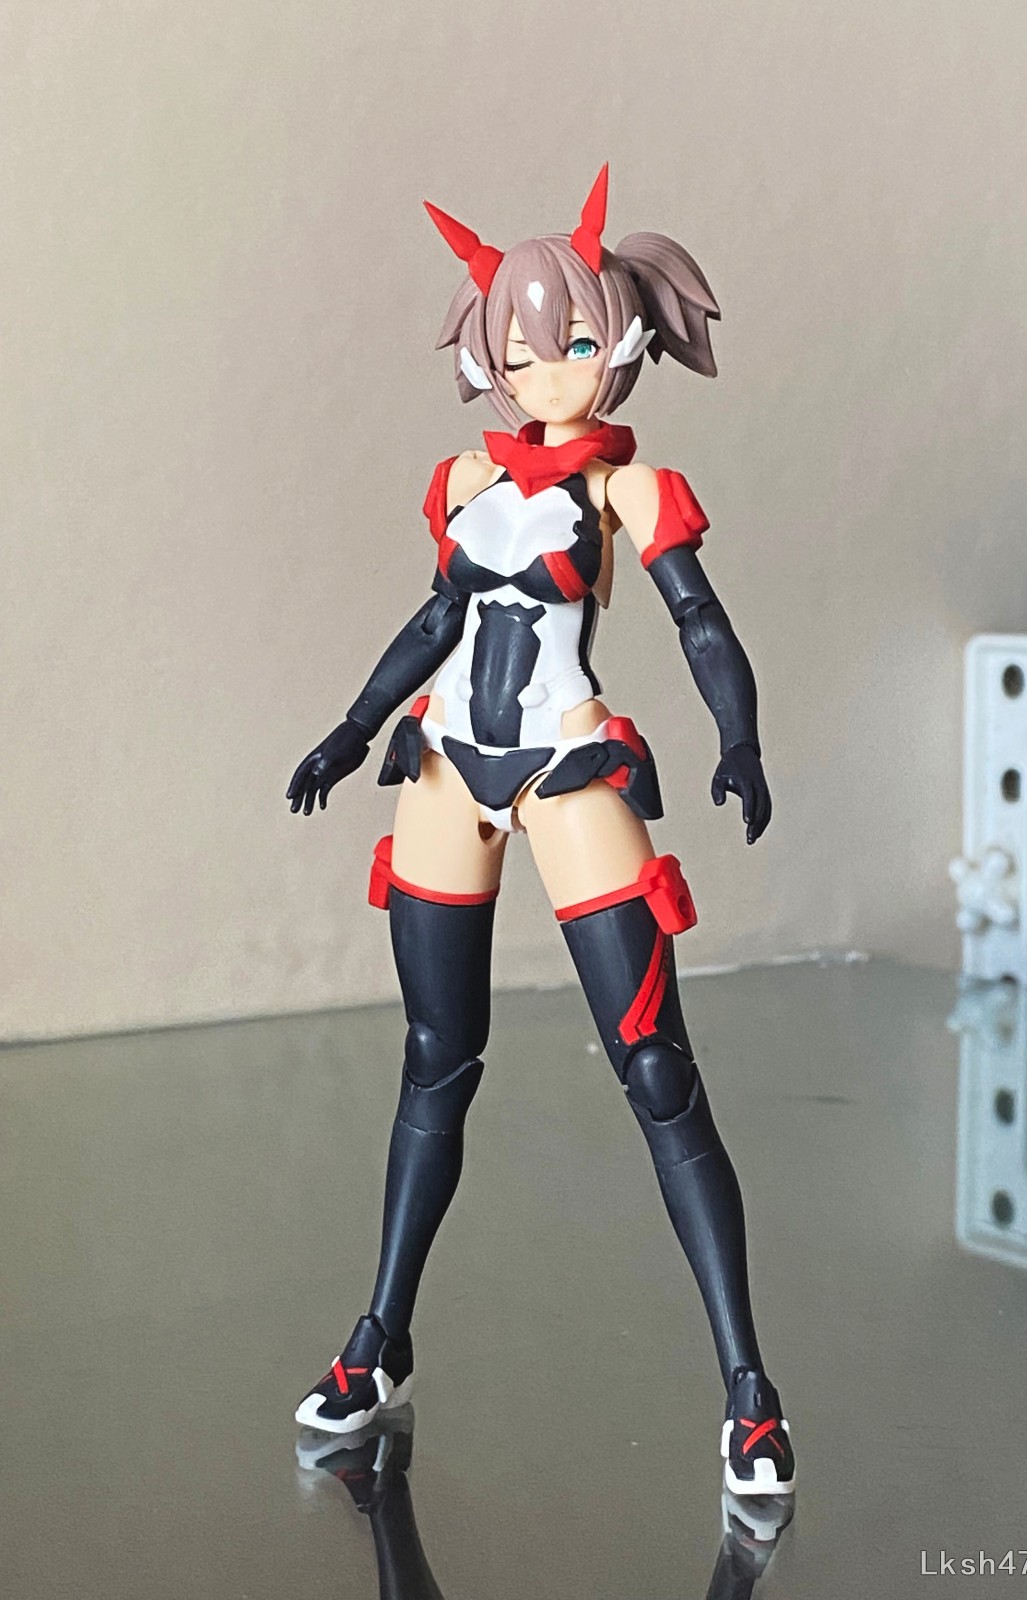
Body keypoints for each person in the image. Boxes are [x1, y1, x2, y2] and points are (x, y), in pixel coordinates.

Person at [288, 167, 794, 1497]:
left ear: (616, 339)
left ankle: (748, 1388)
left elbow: (700, 622)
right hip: (446, 764)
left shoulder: (632, 491)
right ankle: (380, 1340)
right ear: (487, 355)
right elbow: (434, 620)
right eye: (519, 347)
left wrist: (737, 737)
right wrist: (350, 728)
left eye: (569, 339)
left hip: (569, 762)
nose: (544, 367)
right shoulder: (464, 479)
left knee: (658, 1071)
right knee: (434, 1059)